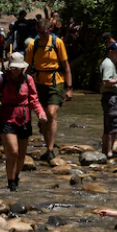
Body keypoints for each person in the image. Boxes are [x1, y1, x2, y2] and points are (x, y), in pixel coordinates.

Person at [0, 52, 47, 191]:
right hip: (6, 118)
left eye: (19, 68)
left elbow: (34, 99)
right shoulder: (1, 79)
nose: (16, 71)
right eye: (14, 68)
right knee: (13, 152)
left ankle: (16, 176)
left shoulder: (28, 79)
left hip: (24, 119)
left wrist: (41, 113)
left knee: (21, 155)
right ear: (10, 68)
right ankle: (11, 182)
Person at [25, 17, 74, 162]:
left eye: (44, 32)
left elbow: (66, 67)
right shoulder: (33, 45)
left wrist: (69, 88)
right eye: (39, 32)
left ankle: (50, 149)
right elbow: (26, 67)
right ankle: (48, 144)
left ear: (50, 30)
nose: (41, 35)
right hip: (37, 83)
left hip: (55, 82)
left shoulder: (57, 43)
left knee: (51, 113)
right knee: (44, 117)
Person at [101, 41, 117, 157]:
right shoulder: (109, 64)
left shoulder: (111, 63)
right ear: (110, 52)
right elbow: (106, 81)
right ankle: (109, 152)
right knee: (114, 124)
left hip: (109, 97)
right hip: (111, 97)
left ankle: (105, 150)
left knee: (108, 125)